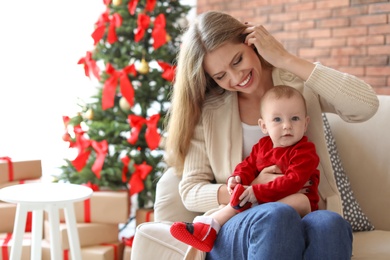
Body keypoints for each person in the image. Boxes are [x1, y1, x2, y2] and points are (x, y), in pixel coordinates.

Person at [159, 10, 379, 259]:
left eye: (237, 61)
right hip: (242, 222)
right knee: (277, 215)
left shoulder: (298, 85)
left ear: (250, 42)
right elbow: (190, 190)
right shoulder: (209, 112)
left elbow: (366, 106)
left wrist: (285, 58)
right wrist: (250, 188)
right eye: (220, 76)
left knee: (331, 224)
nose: (236, 77)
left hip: (304, 211)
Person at [170, 85, 320, 252]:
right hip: (263, 205)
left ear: (306, 123)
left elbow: (294, 181)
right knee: (243, 196)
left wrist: (256, 192)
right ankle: (208, 227)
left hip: (300, 205)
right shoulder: (263, 146)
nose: (287, 125)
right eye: (277, 119)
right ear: (264, 126)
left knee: (299, 200)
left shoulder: (305, 151)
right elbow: (247, 165)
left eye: (295, 119)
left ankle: (211, 224)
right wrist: (237, 178)